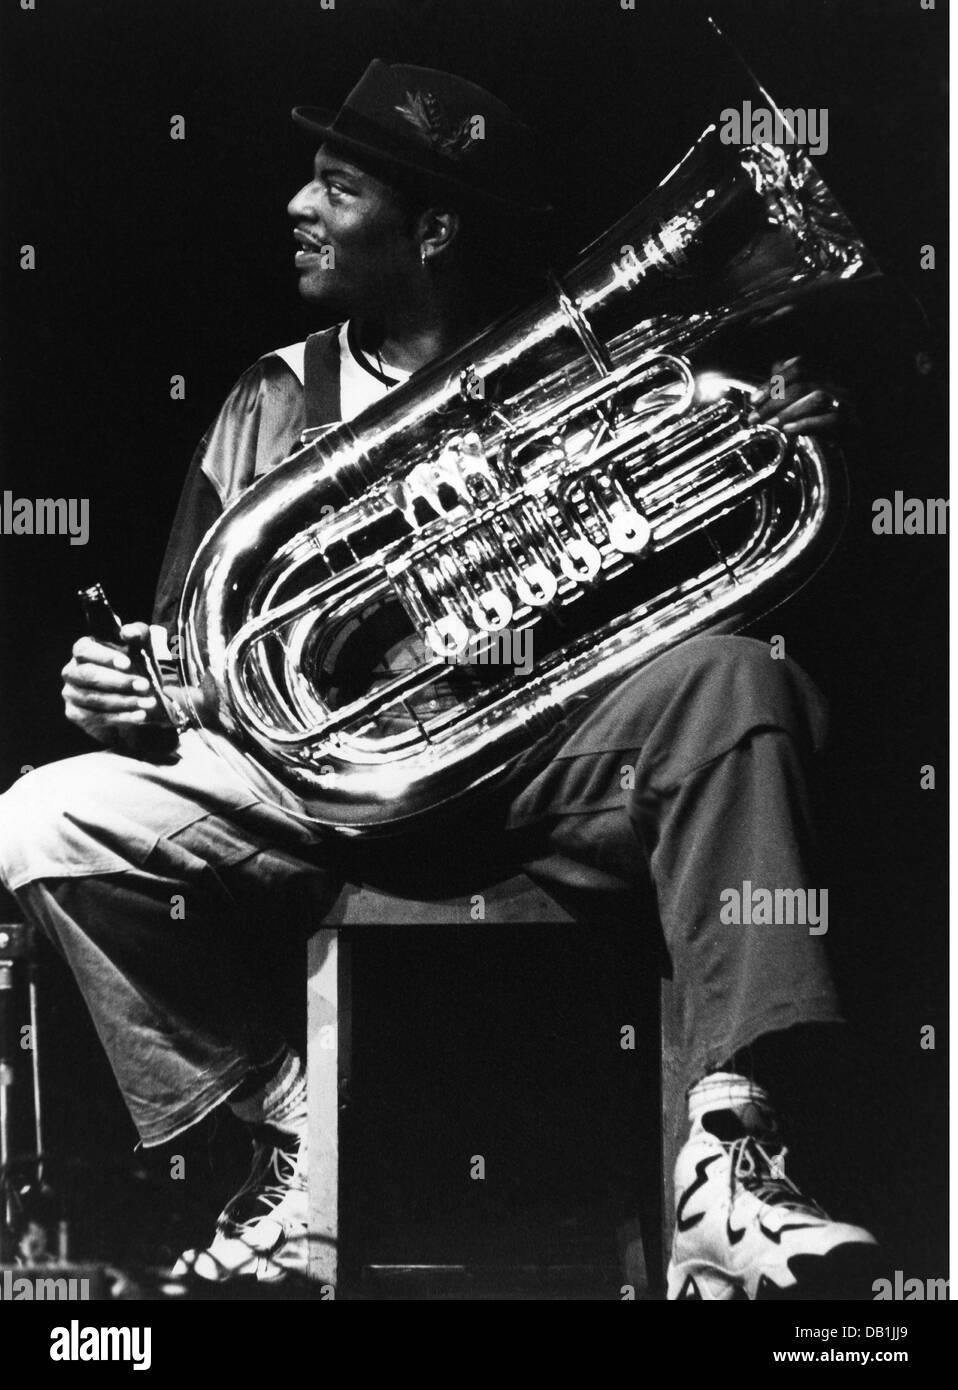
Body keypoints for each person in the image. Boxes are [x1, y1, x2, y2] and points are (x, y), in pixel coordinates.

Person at [0, 60, 879, 1298]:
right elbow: (189, 651)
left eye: (339, 187)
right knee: (38, 818)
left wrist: (760, 440)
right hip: (322, 795)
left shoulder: (592, 374)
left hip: (534, 768)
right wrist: (135, 694)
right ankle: (296, 1136)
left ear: (436, 228)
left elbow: (680, 588)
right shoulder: (270, 396)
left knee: (738, 681)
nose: (300, 208)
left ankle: (732, 1161)